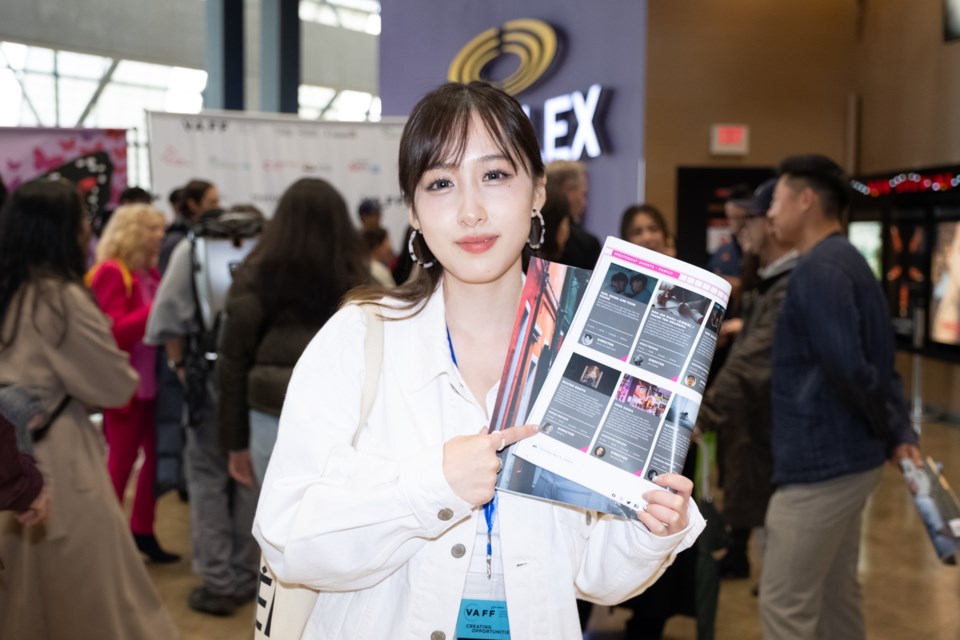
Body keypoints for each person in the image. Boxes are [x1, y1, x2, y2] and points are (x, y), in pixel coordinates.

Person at [253, 81, 704, 640]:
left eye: (494, 175)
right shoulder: (360, 337)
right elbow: (287, 538)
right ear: (413, 211)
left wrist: (650, 529)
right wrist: (432, 485)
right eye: (440, 183)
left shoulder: (591, 350)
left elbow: (597, 578)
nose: (470, 211)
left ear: (538, 191)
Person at [0, 179, 179, 638]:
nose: (87, 227)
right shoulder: (61, 297)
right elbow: (114, 384)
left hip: (10, 454)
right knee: (91, 589)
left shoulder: (9, 290)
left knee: (23, 590)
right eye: (80, 217)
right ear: (59, 229)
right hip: (56, 455)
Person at [761, 154, 922, 639]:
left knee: (784, 605)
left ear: (806, 200)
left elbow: (851, 369)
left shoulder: (818, 271)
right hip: (846, 459)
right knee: (835, 598)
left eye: (777, 199)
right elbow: (875, 364)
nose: (769, 212)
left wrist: (892, 428)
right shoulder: (849, 261)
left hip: (820, 466)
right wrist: (895, 430)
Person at [218, 177, 370, 489]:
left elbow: (232, 363)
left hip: (269, 414)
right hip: (340, 419)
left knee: (276, 524)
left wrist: (235, 442)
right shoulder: (361, 281)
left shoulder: (253, 278)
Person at [146, 205, 259, 617]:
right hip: (257, 381)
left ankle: (218, 582)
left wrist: (180, 368)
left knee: (208, 477)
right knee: (252, 479)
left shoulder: (192, 247)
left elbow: (166, 324)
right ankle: (248, 576)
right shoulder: (272, 248)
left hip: (205, 378)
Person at [695, 178, 797, 582]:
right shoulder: (770, 279)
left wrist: (695, 420)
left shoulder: (790, 285)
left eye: (750, 219)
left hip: (780, 449)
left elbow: (751, 364)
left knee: (785, 592)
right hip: (757, 437)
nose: (743, 231)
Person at [86, 203, 179, 563]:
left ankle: (142, 531)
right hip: (123, 388)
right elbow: (111, 333)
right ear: (132, 232)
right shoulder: (113, 272)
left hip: (154, 385)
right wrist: (155, 309)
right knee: (120, 464)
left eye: (160, 227)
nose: (160, 235)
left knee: (155, 461)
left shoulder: (151, 273)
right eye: (152, 228)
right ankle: (104, 539)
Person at [549, 160, 602, 269]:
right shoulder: (587, 245)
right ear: (568, 191)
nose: (584, 203)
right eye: (583, 194)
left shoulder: (526, 237)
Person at [159, 179, 220, 273]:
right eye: (212, 202)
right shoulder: (175, 240)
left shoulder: (208, 233)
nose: (218, 207)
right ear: (193, 205)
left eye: (217, 201)